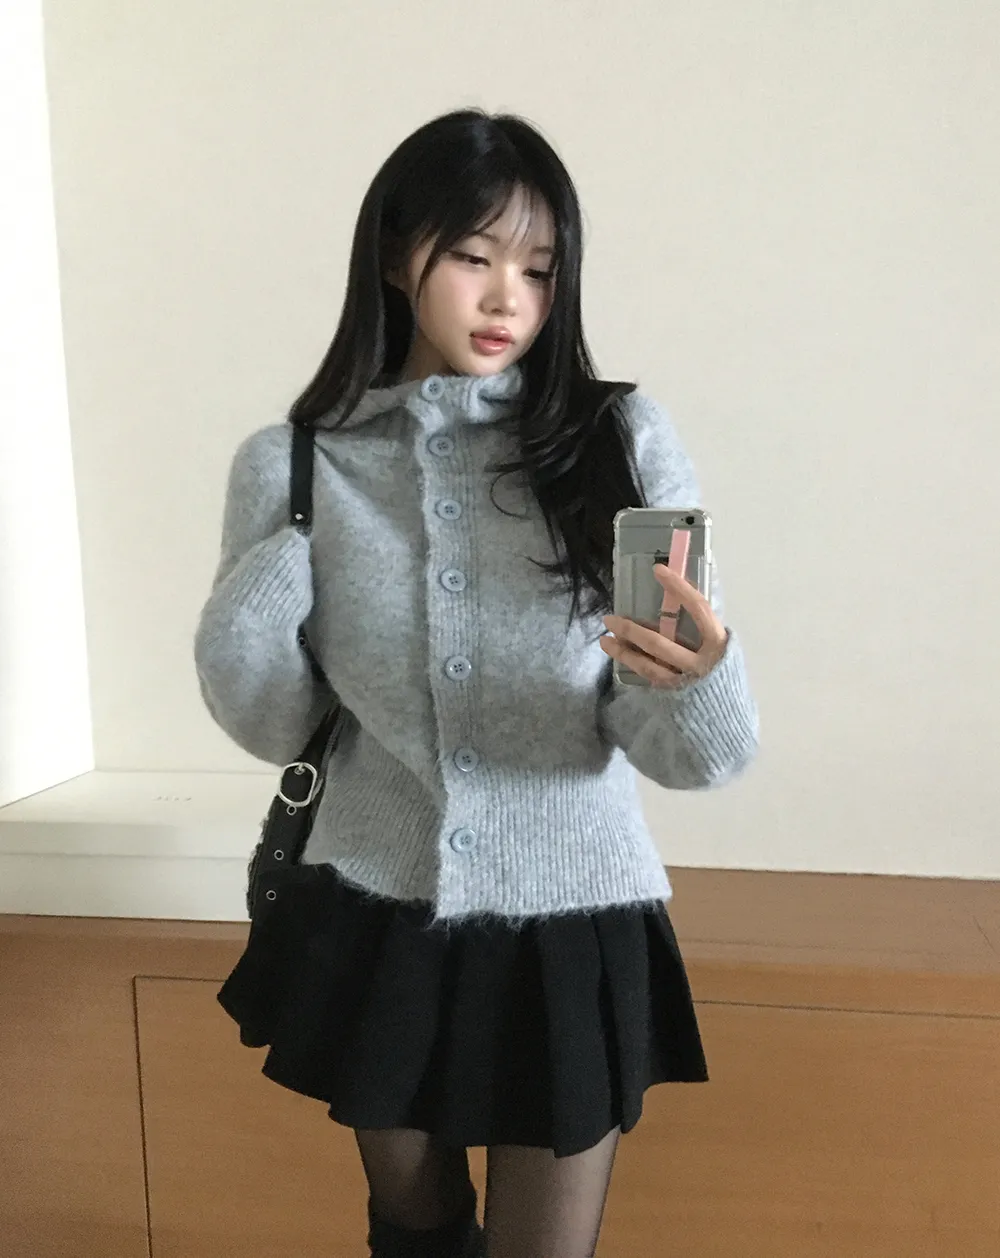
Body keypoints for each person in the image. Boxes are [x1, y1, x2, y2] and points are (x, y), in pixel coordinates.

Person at [194, 107, 759, 1258]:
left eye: (539, 269)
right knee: (415, 1231)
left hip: (569, 918)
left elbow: (694, 756)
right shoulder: (295, 464)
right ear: (396, 255)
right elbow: (277, 723)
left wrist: (700, 676)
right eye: (473, 256)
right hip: (375, 915)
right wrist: (248, 613)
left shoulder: (621, 443)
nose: (508, 298)